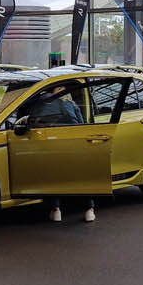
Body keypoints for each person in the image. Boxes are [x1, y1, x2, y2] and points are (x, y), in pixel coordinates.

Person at [30, 84, 96, 223]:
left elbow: (36, 123)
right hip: (73, 143)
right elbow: (82, 125)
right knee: (82, 177)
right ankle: (89, 210)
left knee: (54, 176)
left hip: (53, 143)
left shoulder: (44, 102)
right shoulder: (72, 104)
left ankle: (56, 210)